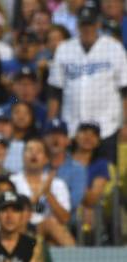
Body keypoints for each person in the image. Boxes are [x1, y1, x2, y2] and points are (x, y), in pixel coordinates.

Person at [48, 5, 127, 163]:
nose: (87, 28)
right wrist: (52, 124)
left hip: (107, 127)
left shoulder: (114, 48)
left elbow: (125, 90)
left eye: (90, 24)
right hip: (72, 128)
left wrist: (126, 123)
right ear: (77, 25)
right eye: (84, 24)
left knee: (106, 178)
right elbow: (55, 91)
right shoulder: (64, 49)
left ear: (98, 24)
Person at [10, 137, 74, 246]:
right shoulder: (13, 181)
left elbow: (65, 219)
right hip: (21, 228)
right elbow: (11, 214)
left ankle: (76, 258)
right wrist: (38, 194)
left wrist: (48, 194)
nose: (33, 154)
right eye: (29, 150)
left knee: (52, 232)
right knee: (50, 224)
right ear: (23, 156)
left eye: (39, 151)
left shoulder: (57, 184)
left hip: (51, 231)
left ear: (46, 159)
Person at [44, 118, 87, 217]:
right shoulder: (37, 167)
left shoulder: (78, 169)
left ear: (68, 141)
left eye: (61, 135)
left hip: (67, 221)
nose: (55, 138)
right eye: (51, 134)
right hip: (39, 218)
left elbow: (73, 202)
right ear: (44, 140)